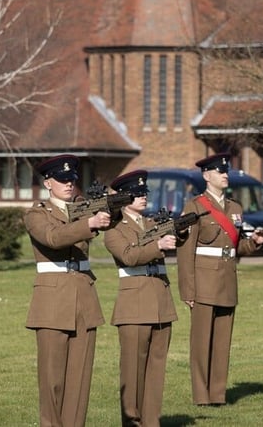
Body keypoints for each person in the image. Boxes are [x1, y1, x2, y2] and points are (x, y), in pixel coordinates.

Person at [24, 155, 111, 427]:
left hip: (83, 298)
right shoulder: (37, 213)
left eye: (72, 178)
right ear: (48, 182)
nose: (69, 184)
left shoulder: (85, 208)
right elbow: (53, 238)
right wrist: (89, 224)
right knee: (52, 381)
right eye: (62, 179)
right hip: (52, 302)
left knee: (79, 380)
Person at [176, 152, 263, 406]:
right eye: (220, 172)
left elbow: (235, 249)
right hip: (203, 282)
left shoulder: (236, 208)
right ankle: (201, 396)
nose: (225, 175)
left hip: (227, 281)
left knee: (222, 342)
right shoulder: (195, 207)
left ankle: (217, 395)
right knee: (201, 343)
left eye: (226, 171)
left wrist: (254, 243)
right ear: (207, 176)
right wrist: (188, 290)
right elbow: (185, 253)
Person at [104, 170, 181, 427]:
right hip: (134, 304)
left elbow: (177, 238)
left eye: (144, 193)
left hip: (160, 300)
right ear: (124, 198)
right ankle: (132, 422)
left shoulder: (152, 224)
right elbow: (128, 256)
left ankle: (151, 421)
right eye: (136, 194)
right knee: (133, 370)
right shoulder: (115, 230)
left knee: (156, 370)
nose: (142, 197)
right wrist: (158, 246)